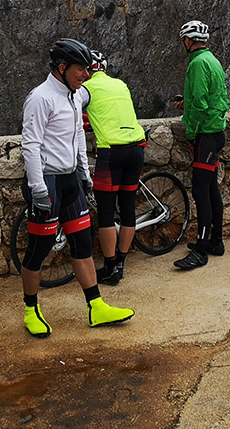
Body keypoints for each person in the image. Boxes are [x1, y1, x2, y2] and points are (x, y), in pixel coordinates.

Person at [20, 38, 134, 337]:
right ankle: (31, 310)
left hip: (70, 180)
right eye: (81, 69)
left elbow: (78, 135)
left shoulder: (75, 95)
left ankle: (96, 306)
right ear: (62, 68)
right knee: (39, 249)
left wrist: (84, 172)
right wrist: (38, 189)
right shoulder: (40, 97)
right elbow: (30, 145)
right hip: (47, 182)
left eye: (87, 69)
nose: (86, 75)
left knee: (83, 244)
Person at [81, 50, 146, 285]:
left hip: (112, 151)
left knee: (106, 212)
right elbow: (114, 113)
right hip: (137, 147)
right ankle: (120, 263)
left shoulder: (86, 88)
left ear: (88, 69)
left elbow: (72, 114)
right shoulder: (120, 84)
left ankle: (109, 268)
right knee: (127, 208)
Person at [171, 20, 229, 270]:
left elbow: (200, 104)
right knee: (212, 189)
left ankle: (201, 250)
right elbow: (214, 97)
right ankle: (216, 241)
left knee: (200, 191)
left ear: (188, 40)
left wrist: (191, 132)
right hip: (217, 131)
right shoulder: (212, 60)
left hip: (205, 134)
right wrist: (187, 103)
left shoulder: (196, 63)